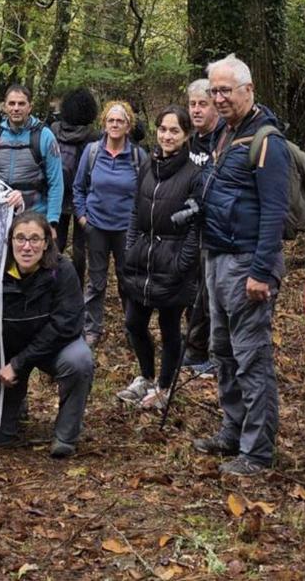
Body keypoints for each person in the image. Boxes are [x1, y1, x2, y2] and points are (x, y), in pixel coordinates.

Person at [191, 54, 289, 477]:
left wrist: (262, 272)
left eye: (226, 90)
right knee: (222, 350)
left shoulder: (267, 142)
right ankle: (232, 429)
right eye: (214, 91)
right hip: (216, 257)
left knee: (251, 356)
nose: (219, 98)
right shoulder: (225, 135)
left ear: (248, 91)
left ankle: (257, 449)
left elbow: (274, 213)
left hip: (246, 262)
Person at [0, 212, 94, 458]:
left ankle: (65, 436)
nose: (27, 246)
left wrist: (20, 364)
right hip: (8, 351)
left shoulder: (63, 270)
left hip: (53, 347)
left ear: (46, 243)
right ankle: (13, 410)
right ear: (10, 241)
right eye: (20, 238)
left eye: (35, 239)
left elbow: (65, 325)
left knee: (79, 361)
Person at [117, 106, 202, 410]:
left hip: (173, 263)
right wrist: (130, 249)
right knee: (134, 323)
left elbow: (195, 226)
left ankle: (164, 387)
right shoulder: (147, 167)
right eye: (163, 129)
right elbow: (135, 212)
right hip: (142, 259)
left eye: (174, 131)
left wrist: (183, 263)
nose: (167, 136)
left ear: (186, 135)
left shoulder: (193, 175)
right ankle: (145, 376)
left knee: (169, 329)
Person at [72, 100, 146, 347]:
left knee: (129, 281)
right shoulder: (92, 152)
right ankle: (92, 329)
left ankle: (132, 328)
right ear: (104, 124)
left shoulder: (137, 156)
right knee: (96, 281)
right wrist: (83, 218)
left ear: (128, 126)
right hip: (96, 228)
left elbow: (146, 192)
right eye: (111, 120)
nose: (115, 125)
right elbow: (79, 187)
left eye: (120, 121)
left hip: (127, 229)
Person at [181, 78, 221, 374]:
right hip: (186, 228)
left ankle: (209, 351)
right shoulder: (189, 139)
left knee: (208, 293)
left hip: (212, 229)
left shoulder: (222, 139)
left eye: (202, 104)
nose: (196, 110)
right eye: (192, 104)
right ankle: (193, 345)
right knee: (190, 289)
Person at [0, 83, 64, 227]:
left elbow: (56, 182)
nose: (16, 108)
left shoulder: (44, 136)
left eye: (21, 104)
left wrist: (52, 221)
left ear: (29, 107)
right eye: (12, 103)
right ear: (5, 106)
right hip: (0, 214)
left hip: (36, 215)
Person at [49, 88, 98, 284]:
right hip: (81, 197)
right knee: (79, 248)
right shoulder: (93, 136)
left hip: (57, 193)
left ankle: (52, 282)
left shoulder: (53, 130)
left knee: (55, 243)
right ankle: (76, 288)